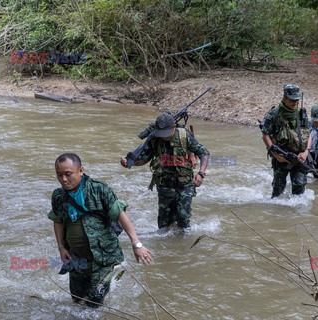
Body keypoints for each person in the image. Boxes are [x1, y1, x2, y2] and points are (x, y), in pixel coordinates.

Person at [48, 153, 153, 308]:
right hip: (77, 258)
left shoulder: (98, 189)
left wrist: (136, 244)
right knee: (77, 301)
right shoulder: (58, 196)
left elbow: (120, 214)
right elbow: (57, 220)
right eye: (59, 175)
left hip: (104, 258)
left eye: (68, 174)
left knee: (94, 302)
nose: (63, 179)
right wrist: (61, 247)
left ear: (81, 171)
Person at [120, 112, 210, 230]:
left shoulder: (184, 136)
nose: (164, 137)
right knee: (164, 225)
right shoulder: (155, 139)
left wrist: (201, 173)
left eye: (167, 133)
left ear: (174, 128)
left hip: (185, 185)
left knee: (183, 219)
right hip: (164, 185)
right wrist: (129, 164)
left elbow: (204, 153)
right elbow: (145, 159)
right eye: (162, 134)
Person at [260, 84, 310, 197]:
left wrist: (306, 152)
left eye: (297, 100)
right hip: (281, 156)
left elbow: (309, 133)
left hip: (299, 156)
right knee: (278, 189)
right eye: (292, 100)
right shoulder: (274, 113)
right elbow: (265, 134)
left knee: (299, 187)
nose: (295, 103)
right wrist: (276, 155)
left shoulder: (301, 112)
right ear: (284, 98)